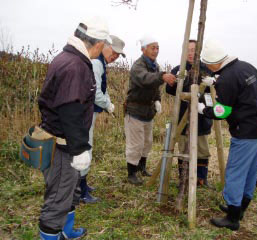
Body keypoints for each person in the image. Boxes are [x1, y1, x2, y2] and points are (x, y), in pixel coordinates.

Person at [37, 16, 112, 239]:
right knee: (58, 197)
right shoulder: (75, 65)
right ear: (98, 44)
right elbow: (70, 109)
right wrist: (79, 148)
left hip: (60, 139)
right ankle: (51, 234)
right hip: (62, 145)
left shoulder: (67, 57)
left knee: (68, 191)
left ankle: (67, 231)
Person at [198, 39, 257, 231]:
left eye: (206, 65)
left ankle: (232, 218)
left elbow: (223, 112)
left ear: (213, 63)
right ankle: (239, 208)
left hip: (245, 132)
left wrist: (203, 109)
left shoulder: (227, 79)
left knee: (236, 172)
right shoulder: (246, 67)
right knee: (250, 171)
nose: (206, 67)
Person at [79, 35, 126, 204]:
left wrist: (108, 101)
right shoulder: (96, 63)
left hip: (89, 111)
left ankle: (82, 184)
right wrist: (107, 104)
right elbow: (96, 92)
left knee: (85, 146)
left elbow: (102, 88)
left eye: (118, 55)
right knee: (85, 148)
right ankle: (80, 191)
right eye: (113, 52)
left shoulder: (100, 62)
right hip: (86, 112)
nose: (115, 57)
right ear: (104, 46)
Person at [124, 35, 176, 185]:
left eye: (157, 48)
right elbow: (147, 79)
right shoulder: (138, 66)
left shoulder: (155, 65)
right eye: (153, 48)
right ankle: (131, 173)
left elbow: (155, 86)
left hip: (148, 111)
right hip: (135, 110)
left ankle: (142, 167)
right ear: (143, 49)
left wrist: (158, 100)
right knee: (136, 144)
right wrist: (162, 76)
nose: (156, 51)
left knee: (147, 142)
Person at [166, 39, 213, 187]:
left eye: (194, 50)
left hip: (202, 115)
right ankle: (184, 179)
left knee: (202, 149)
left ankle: (201, 179)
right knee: (184, 148)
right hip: (183, 117)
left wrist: (212, 83)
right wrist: (179, 81)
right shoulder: (178, 69)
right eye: (188, 50)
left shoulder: (207, 69)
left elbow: (215, 89)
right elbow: (169, 90)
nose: (191, 53)